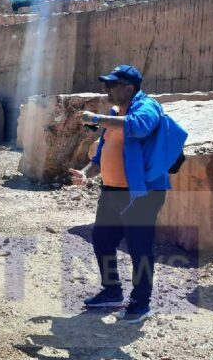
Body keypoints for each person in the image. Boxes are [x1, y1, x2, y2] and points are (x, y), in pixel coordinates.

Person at [70, 65, 181, 324]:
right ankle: (112, 292)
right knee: (103, 240)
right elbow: (100, 157)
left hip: (141, 193)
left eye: (111, 85)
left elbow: (139, 127)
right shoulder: (114, 113)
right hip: (112, 191)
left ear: (129, 88)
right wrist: (86, 173)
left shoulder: (146, 106)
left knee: (139, 247)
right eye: (106, 85)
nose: (106, 89)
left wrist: (96, 119)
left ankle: (141, 304)